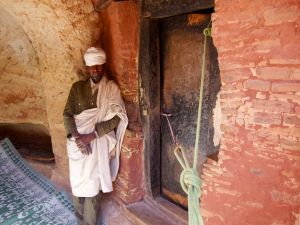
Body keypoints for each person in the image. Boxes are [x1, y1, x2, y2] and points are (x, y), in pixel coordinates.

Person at [63, 47, 128, 225]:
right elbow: (67, 114)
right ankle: (79, 219)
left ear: (104, 66)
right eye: (93, 67)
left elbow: (117, 117)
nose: (96, 70)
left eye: (100, 66)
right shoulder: (76, 88)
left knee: (93, 186)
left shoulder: (111, 88)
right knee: (77, 184)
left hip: (97, 144)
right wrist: (78, 139)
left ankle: (89, 223)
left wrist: (91, 136)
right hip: (77, 145)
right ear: (87, 68)